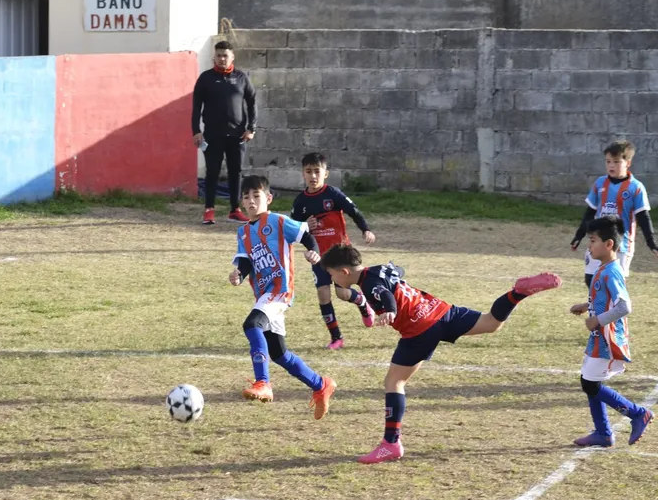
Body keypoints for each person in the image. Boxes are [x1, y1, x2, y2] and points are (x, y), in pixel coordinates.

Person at [320, 244, 561, 464]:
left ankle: (391, 443)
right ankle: (517, 293)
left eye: (332, 274)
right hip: (440, 310)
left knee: (394, 381)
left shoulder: (370, 285)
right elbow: (388, 280)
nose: (331, 278)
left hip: (420, 328)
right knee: (491, 323)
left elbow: (384, 295)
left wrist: (390, 311)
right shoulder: (379, 269)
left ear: (344, 271)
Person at [229, 175, 336, 419]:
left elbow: (306, 235)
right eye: (246, 197)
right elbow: (245, 261)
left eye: (256, 196)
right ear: (242, 203)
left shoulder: (277, 221)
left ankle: (263, 382)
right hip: (264, 294)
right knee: (278, 353)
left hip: (279, 291)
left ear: (268, 198)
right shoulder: (243, 232)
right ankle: (321, 384)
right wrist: (238, 274)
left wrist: (313, 252)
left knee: (251, 324)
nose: (251, 201)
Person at [570, 215, 652, 447]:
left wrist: (597, 320)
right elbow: (604, 298)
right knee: (589, 381)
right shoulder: (604, 268)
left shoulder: (611, 271)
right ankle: (603, 433)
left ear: (608, 244)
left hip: (607, 337)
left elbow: (625, 306)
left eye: (593, 240)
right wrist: (586, 305)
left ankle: (637, 414)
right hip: (599, 336)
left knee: (590, 383)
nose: (589, 245)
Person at [289, 152, 377, 349]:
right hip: (318, 256)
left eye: (317, 172)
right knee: (323, 294)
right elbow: (294, 229)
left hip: (339, 254)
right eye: (308, 172)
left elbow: (354, 211)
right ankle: (336, 337)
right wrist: (304, 225)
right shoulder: (300, 202)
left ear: (325, 174)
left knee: (343, 294)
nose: (313, 176)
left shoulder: (333, 194)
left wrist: (366, 229)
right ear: (303, 174)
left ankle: (362, 303)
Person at [570, 140, 658, 288]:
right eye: (608, 161)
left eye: (616, 162)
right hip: (597, 241)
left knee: (614, 285)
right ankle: (596, 310)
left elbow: (643, 217)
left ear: (627, 163)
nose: (611, 165)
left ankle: (616, 310)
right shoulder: (600, 183)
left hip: (621, 245)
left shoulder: (636, 188)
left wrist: (652, 243)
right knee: (591, 280)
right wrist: (579, 235)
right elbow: (590, 213)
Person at [192, 40, 257, 226]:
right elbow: (196, 106)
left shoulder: (241, 78)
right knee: (212, 172)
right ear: (215, 56)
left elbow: (252, 103)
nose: (222, 59)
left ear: (232, 57)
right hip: (212, 135)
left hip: (237, 135)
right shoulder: (205, 78)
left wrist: (251, 128)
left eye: (225, 55)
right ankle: (209, 210)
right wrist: (196, 131)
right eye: (219, 55)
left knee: (236, 172)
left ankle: (235, 210)